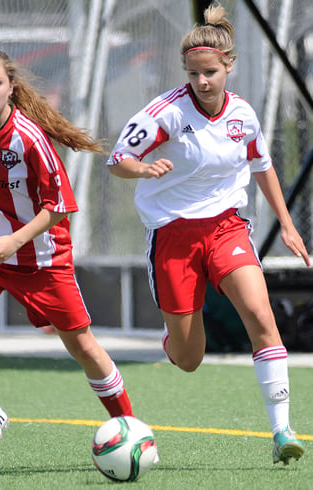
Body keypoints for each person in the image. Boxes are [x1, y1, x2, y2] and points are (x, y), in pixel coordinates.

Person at [107, 2, 310, 466]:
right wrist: (143, 166)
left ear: (228, 66)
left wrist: (289, 224)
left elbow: (263, 166)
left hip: (226, 228)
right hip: (173, 236)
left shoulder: (244, 115)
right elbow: (116, 160)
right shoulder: (166, 113)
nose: (202, 82)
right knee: (189, 357)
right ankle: (172, 341)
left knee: (261, 316)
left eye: (211, 72)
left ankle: (282, 430)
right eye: (194, 73)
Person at [0, 48, 134, 450]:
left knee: (83, 346)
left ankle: (130, 424)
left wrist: (16, 239)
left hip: (41, 258)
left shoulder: (29, 138)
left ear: (11, 87)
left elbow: (61, 205)